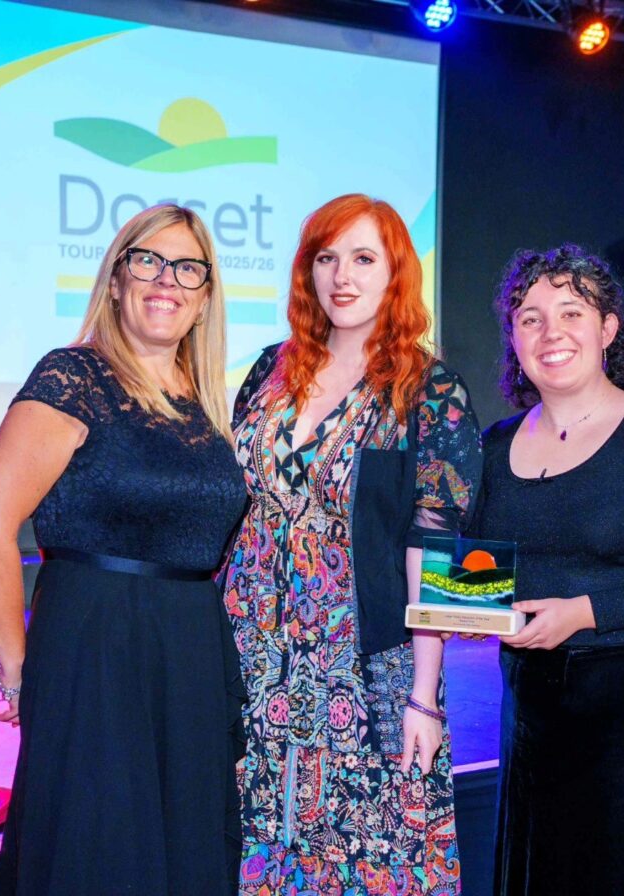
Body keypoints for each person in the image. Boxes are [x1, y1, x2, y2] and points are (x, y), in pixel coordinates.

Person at [0, 205, 248, 895]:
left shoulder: (208, 405)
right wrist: (17, 665)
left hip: (191, 652)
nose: (167, 280)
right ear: (116, 278)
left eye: (187, 269)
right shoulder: (74, 377)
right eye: (148, 261)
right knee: (96, 851)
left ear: (205, 298)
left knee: (183, 846)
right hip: (93, 646)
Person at [224, 194, 481, 895]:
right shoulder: (268, 373)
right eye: (326, 258)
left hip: (363, 673)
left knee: (369, 861)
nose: (342, 275)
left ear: (395, 273)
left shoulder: (431, 390)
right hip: (248, 662)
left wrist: (424, 699)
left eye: (364, 258)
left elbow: (441, 549)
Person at [472, 244, 624, 896]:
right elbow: (475, 572)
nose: (550, 332)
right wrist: (459, 603)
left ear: (608, 328)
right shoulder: (494, 445)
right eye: (530, 317)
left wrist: (579, 613)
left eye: (571, 312)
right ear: (514, 337)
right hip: (532, 706)